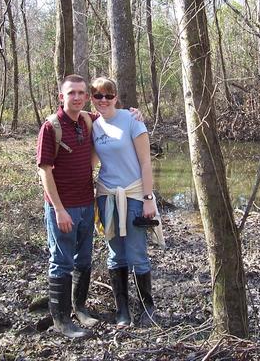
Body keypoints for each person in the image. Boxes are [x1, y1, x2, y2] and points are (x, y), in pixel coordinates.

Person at [90, 76, 157, 327]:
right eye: (98, 96)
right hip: (106, 196)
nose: (103, 100)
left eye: (108, 95)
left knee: (137, 253)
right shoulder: (93, 124)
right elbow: (92, 161)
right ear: (92, 99)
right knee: (116, 254)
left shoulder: (132, 120)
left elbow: (146, 163)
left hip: (134, 194)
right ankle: (122, 311)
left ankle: (147, 308)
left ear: (116, 97)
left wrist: (148, 198)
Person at [36, 74, 97, 339]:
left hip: (87, 204)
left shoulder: (86, 120)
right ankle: (61, 321)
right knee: (60, 263)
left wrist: (133, 113)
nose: (77, 97)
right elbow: (45, 172)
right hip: (62, 208)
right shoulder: (51, 127)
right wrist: (59, 209)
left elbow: (111, 114)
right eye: (71, 93)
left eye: (81, 93)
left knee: (83, 260)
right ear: (62, 97)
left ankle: (79, 308)